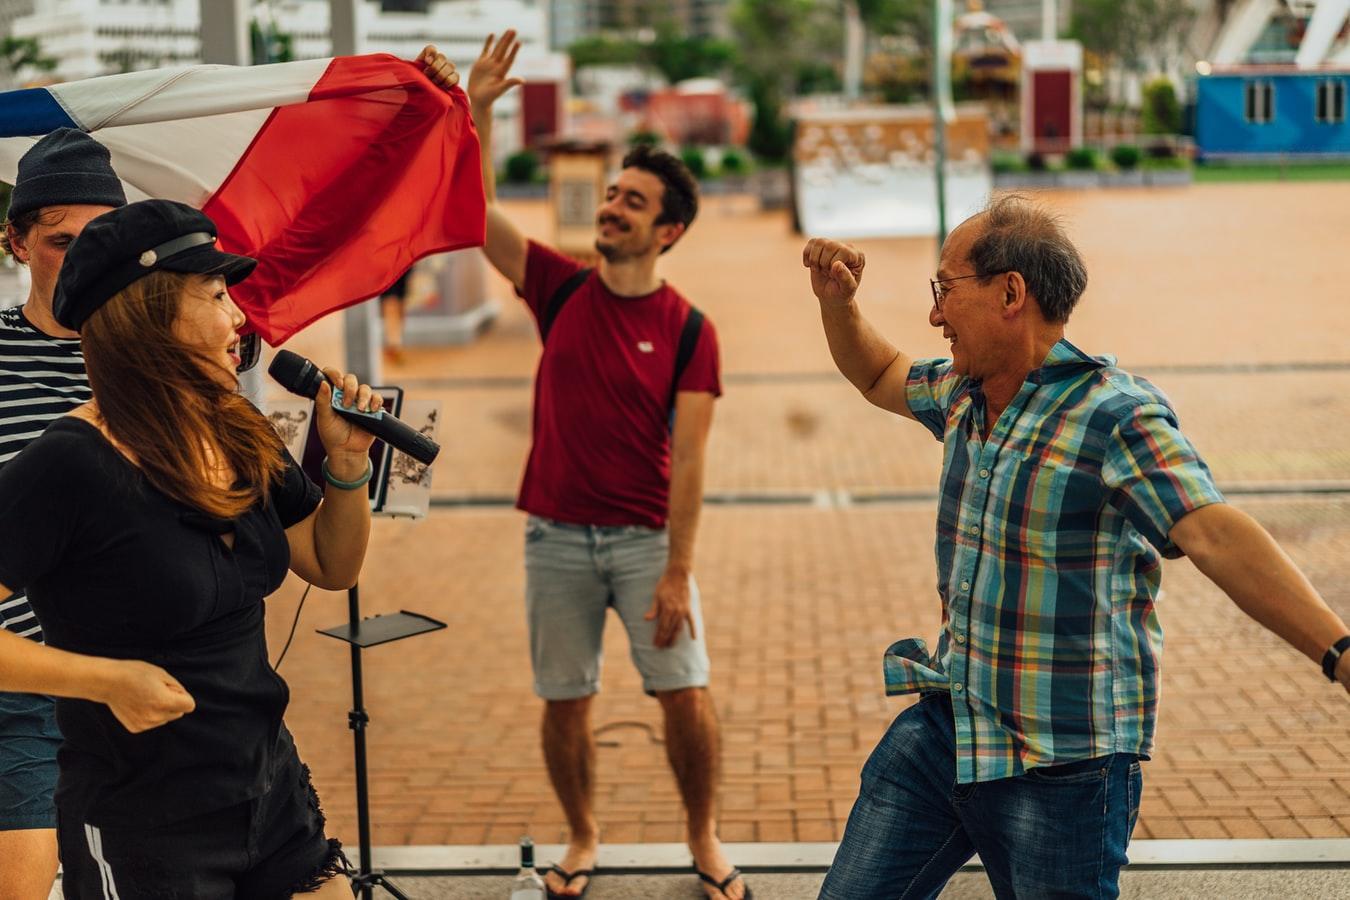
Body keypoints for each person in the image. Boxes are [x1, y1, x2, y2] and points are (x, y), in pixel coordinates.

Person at [804, 195, 1350, 899]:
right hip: (949, 731)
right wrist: (837, 304)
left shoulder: (1114, 414)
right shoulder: (966, 394)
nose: (934, 315)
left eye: (944, 291)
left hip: (1064, 768)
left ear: (1010, 293)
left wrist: (1338, 653)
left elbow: (1213, 532)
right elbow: (879, 374)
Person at [0, 198, 387, 898]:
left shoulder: (238, 427)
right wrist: (107, 681)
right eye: (214, 294)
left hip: (269, 792)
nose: (239, 318)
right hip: (144, 822)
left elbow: (332, 564)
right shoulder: (67, 465)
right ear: (147, 315)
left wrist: (348, 466)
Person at [470, 32, 747, 900]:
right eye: (614, 194)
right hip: (554, 537)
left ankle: (703, 837)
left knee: (685, 694)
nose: (613, 207)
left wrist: (678, 571)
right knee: (564, 699)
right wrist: (479, 110)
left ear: (667, 231)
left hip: (643, 544)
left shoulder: (691, 331)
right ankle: (583, 838)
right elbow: (476, 216)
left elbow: (692, 465)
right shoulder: (558, 286)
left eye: (634, 202)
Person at [0, 127, 126, 900]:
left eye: (98, 239)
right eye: (59, 240)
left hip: (127, 680)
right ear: (14, 242)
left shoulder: (153, 361)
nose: (80, 257)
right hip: (21, 680)